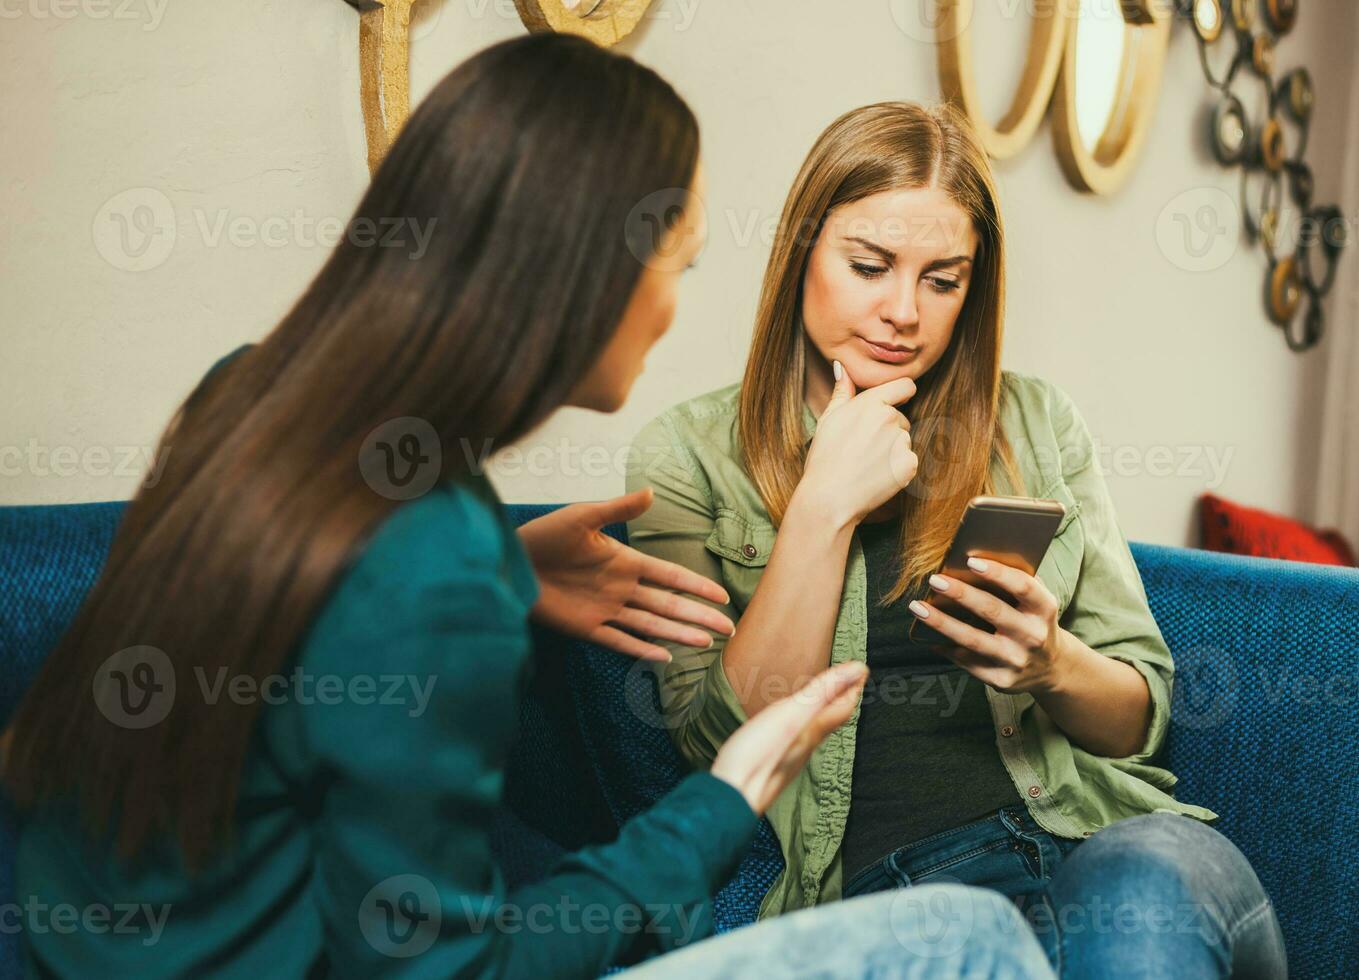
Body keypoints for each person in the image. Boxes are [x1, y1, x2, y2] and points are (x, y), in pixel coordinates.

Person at [2, 37, 1056, 980]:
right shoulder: (438, 563)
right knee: (974, 939)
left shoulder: (249, 395)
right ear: (581, 277)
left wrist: (502, 565)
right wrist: (722, 799)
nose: (672, 304)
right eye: (672, 263)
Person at [626, 100, 1289, 977]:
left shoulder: (1036, 421)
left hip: (1108, 849)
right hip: (898, 903)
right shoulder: (688, 454)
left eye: (944, 280)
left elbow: (1142, 721)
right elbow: (715, 749)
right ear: (800, 254)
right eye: (869, 266)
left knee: (1131, 913)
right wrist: (822, 510)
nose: (904, 312)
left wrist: (1051, 661)